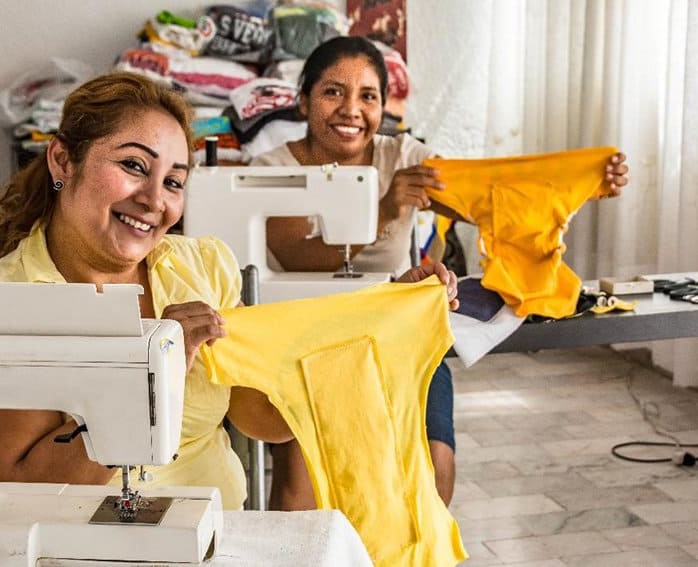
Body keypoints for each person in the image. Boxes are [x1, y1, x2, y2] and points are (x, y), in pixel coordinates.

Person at [0, 71, 461, 512]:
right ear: (62, 160)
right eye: (135, 167)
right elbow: (21, 489)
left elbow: (261, 417)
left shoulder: (201, 267)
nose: (154, 200)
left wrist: (380, 315)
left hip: (220, 535)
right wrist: (153, 378)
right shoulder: (3, 303)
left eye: (174, 182)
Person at [251, 36, 630, 510]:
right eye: (333, 92)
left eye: (368, 96)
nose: (351, 109)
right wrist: (385, 209)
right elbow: (296, 256)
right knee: (301, 478)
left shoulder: (404, 158)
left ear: (383, 107)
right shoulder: (270, 168)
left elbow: (496, 195)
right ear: (303, 99)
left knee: (435, 464)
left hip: (397, 333)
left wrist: (583, 183)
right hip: (306, 336)